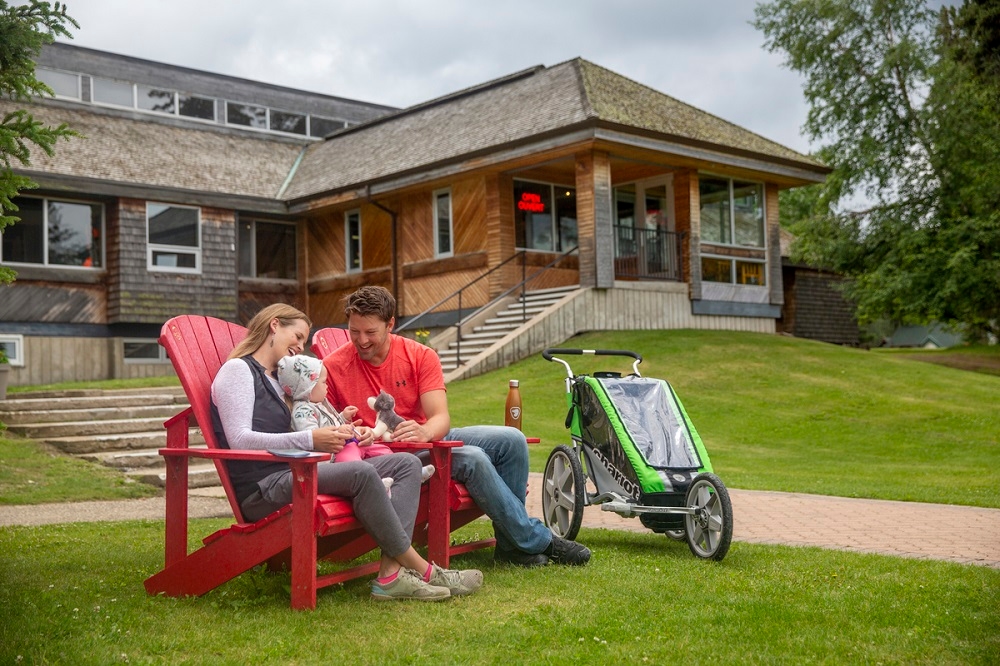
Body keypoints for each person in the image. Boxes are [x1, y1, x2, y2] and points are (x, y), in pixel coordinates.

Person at [210, 303, 483, 601]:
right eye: (297, 336)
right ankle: (425, 570)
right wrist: (312, 439)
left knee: (406, 464)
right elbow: (239, 440)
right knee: (361, 472)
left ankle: (390, 574)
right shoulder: (238, 370)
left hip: (301, 471)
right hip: (265, 487)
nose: (300, 346)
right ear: (274, 325)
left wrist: (343, 431)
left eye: (304, 341)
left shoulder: (281, 379)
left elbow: (306, 421)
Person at [324, 286, 591, 567]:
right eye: (354, 331)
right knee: (472, 458)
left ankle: (511, 545)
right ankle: (538, 540)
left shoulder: (419, 355)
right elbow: (321, 425)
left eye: (370, 332)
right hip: (388, 458)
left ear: (390, 324)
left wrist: (425, 431)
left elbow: (440, 418)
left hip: (428, 439)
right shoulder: (333, 366)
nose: (361, 340)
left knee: (512, 439)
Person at [276, 353, 435, 487]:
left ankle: (413, 473)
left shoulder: (320, 404)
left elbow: (329, 422)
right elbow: (312, 436)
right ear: (307, 387)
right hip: (331, 458)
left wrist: (343, 417)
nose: (326, 386)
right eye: (323, 382)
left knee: (378, 449)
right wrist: (339, 432)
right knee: (353, 459)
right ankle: (378, 484)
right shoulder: (302, 412)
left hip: (347, 444)